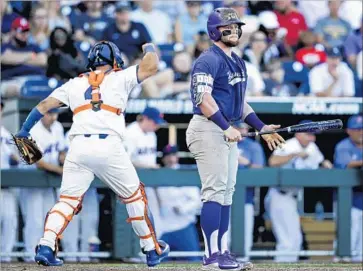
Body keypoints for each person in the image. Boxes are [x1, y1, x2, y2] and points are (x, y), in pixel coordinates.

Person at [14, 41, 169, 267]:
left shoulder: (74, 83)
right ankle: (151, 249)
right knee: (134, 197)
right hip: (109, 146)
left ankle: (46, 246)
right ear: (114, 61)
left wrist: (24, 130)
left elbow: (45, 105)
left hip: (78, 148)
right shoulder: (121, 76)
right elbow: (152, 66)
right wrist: (150, 48)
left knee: (67, 201)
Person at [186, 7, 285, 270]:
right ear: (213, 31)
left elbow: (240, 104)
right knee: (215, 192)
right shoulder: (207, 59)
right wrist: (224, 126)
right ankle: (211, 257)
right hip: (207, 127)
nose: (234, 30)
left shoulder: (238, 61)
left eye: (236, 26)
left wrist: (261, 126)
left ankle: (223, 252)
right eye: (227, 27)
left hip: (225, 129)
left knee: (227, 193)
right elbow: (202, 99)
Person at [266, 120, 332, 262]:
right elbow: (272, 161)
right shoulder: (289, 144)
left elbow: (320, 161)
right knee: (287, 242)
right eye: (308, 134)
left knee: (295, 240)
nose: (312, 138)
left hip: (293, 198)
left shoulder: (312, 147)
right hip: (280, 195)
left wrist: (324, 163)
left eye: (313, 135)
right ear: (298, 134)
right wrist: (294, 155)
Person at [18, 108, 66, 262]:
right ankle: (28, 257)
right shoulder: (32, 130)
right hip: (31, 181)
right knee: (34, 221)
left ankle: (45, 255)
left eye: (55, 114)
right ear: (43, 114)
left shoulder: (57, 127)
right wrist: (61, 170)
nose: (54, 117)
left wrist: (64, 160)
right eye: (51, 114)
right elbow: (38, 162)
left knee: (48, 220)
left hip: (48, 181)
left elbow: (61, 151)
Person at [124, 107, 166, 239]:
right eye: (155, 122)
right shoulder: (130, 133)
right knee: (137, 218)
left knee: (154, 217)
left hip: (149, 183)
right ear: (146, 119)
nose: (157, 126)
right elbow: (125, 160)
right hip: (132, 184)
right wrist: (148, 166)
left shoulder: (152, 135)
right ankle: (136, 255)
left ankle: (155, 249)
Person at [60, 131, 100, 263]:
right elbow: (62, 157)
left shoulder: (99, 134)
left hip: (90, 185)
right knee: (72, 223)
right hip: (73, 185)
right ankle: (70, 257)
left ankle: (86, 257)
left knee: (90, 222)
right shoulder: (71, 133)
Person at [158, 144, 202, 261]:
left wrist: (183, 208)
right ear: (163, 158)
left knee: (193, 261)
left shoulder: (184, 174)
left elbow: (197, 200)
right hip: (163, 228)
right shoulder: (158, 174)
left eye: (173, 155)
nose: (171, 158)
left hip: (184, 225)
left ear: (177, 156)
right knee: (160, 263)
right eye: (167, 156)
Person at [334, 114, 363, 262]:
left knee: (361, 247)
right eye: (357, 129)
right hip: (347, 199)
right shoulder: (343, 146)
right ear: (349, 131)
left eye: (362, 129)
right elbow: (346, 165)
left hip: (361, 198)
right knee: (348, 238)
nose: (361, 132)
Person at [235, 123, 266, 261]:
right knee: (221, 239)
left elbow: (259, 172)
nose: (243, 131)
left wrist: (245, 163)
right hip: (221, 198)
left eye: (244, 128)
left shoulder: (253, 146)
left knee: (244, 239)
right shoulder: (220, 142)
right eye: (238, 128)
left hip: (245, 199)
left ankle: (242, 263)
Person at [1, 17, 47, 97]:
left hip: (36, 79)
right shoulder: (6, 47)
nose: (24, 34)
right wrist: (30, 56)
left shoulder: (33, 46)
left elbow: (43, 60)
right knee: (15, 90)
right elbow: (4, 58)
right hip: (13, 81)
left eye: (26, 31)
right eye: (21, 31)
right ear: (13, 31)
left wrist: (15, 57)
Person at [0, 100, 19, 262]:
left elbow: (15, 159)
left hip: (7, 186)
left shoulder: (6, 134)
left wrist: (15, 159)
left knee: (10, 222)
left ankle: (5, 260)